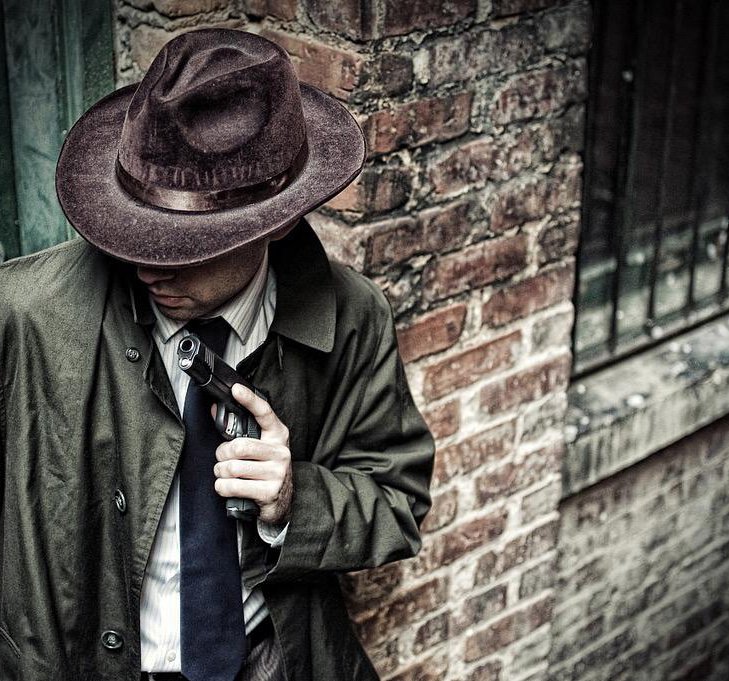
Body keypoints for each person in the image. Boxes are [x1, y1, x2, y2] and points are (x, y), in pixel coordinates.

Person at [0, 28, 434, 681]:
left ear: (275, 224)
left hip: (268, 659)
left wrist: (295, 499)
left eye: (186, 246)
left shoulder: (352, 316)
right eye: (137, 233)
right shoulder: (23, 313)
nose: (150, 266)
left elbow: (397, 498)